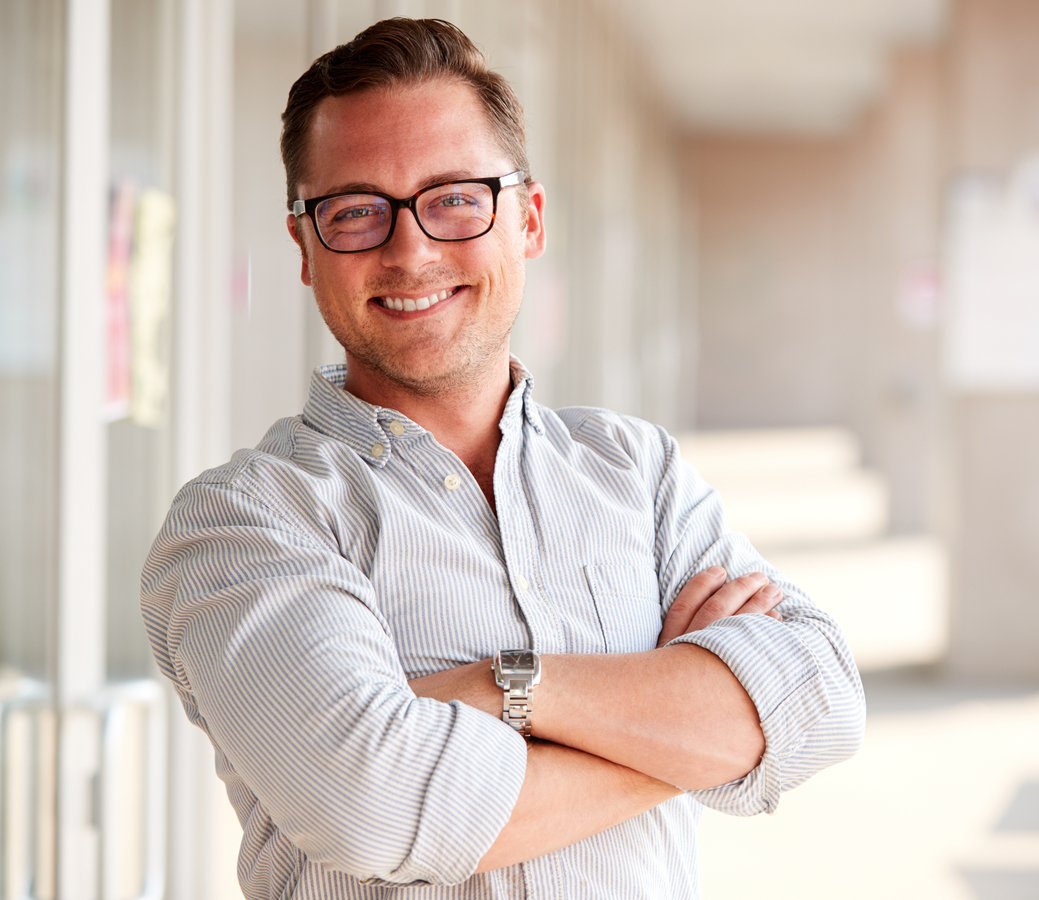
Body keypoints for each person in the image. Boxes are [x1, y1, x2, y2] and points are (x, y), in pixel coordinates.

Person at [141, 17, 864, 900]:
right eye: (357, 211)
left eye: (455, 197)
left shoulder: (637, 473)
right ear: (304, 249)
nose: (410, 250)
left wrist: (500, 690)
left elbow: (819, 703)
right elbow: (379, 806)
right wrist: (693, 728)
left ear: (528, 220)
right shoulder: (248, 522)